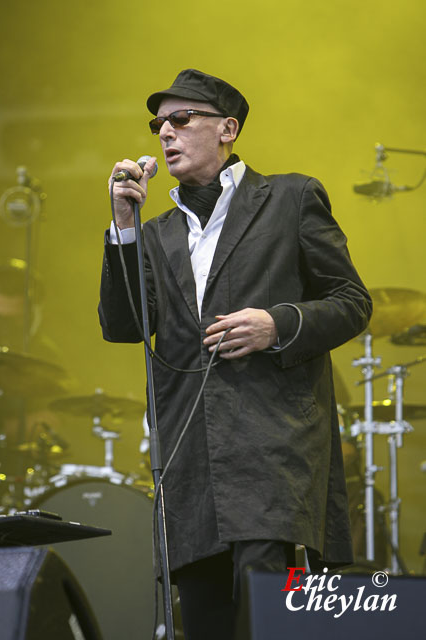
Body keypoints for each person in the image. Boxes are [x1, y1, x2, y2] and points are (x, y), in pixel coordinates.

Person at [98, 68, 372, 639]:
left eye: (181, 119)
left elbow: (352, 301)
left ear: (228, 128)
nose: (165, 134)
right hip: (189, 454)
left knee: (267, 612)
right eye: (158, 125)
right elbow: (124, 324)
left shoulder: (291, 197)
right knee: (205, 618)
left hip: (270, 448)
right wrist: (125, 224)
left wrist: (280, 322)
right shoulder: (157, 232)